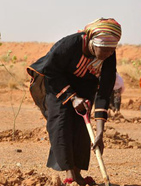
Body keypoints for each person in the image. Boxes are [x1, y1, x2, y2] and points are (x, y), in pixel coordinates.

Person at [27, 18, 121, 185]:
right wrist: (72, 97)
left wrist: (100, 132)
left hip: (86, 87)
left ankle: (77, 174)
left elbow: (104, 92)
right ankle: (71, 177)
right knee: (61, 125)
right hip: (58, 83)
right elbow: (50, 71)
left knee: (81, 129)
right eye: (103, 50)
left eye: (110, 51)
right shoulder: (70, 44)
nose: (107, 55)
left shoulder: (109, 56)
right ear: (93, 42)